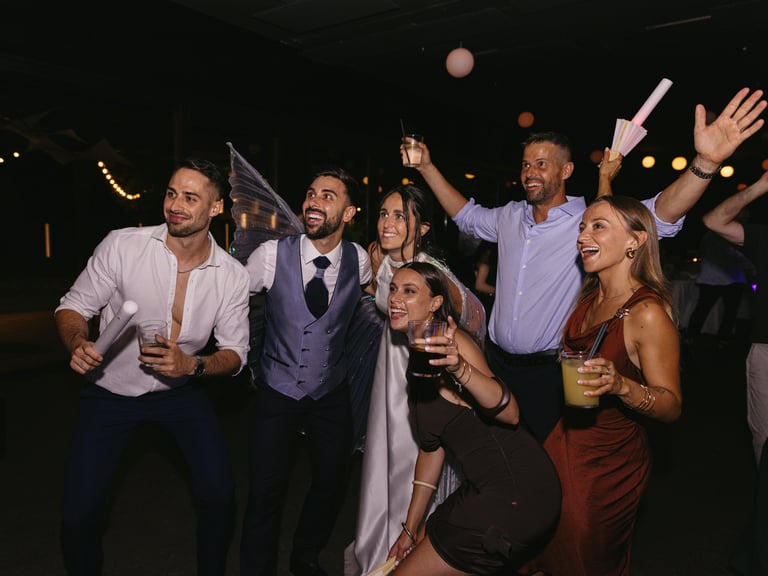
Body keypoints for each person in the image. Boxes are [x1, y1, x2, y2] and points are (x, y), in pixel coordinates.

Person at [408, 87, 766, 442]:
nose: (530, 172)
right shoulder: (509, 216)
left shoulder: (589, 221)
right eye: (526, 164)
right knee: (499, 459)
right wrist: (426, 166)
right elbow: (467, 216)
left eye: (542, 164)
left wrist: (705, 164)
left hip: (551, 372)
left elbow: (660, 213)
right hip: (496, 364)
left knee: (549, 464)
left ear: (566, 170)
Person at [55, 157, 250, 576]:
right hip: (110, 392)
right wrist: (77, 341)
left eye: (190, 198)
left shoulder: (232, 276)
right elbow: (74, 306)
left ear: (215, 207)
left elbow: (235, 354)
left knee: (219, 496)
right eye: (171, 193)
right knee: (78, 514)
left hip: (180, 394)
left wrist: (192, 365)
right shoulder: (123, 246)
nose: (175, 205)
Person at [524, 195, 683, 576]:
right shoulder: (588, 298)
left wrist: (622, 386)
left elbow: (672, 406)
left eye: (598, 227)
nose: (582, 236)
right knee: (541, 553)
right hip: (564, 445)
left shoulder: (646, 313)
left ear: (635, 241)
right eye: (582, 227)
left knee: (584, 560)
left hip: (609, 466)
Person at [382, 262, 561, 575]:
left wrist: (459, 368)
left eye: (409, 291)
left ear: (435, 303)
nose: (395, 298)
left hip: (515, 491)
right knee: (424, 543)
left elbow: (510, 413)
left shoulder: (454, 346)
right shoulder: (421, 357)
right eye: (393, 289)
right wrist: (409, 529)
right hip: (482, 487)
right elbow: (431, 450)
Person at [345, 184, 486, 576]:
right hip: (385, 373)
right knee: (380, 462)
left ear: (422, 228)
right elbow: (374, 299)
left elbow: (472, 317)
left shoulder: (430, 270)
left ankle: (407, 556)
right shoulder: (379, 259)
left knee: (410, 466)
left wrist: (446, 351)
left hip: (419, 374)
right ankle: (377, 551)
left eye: (400, 216)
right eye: (383, 214)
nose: (387, 223)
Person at [240, 167, 372, 576]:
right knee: (265, 490)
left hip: (331, 392)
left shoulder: (360, 260)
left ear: (349, 213)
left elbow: (376, 304)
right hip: (277, 390)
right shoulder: (269, 256)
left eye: (328, 196)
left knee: (332, 481)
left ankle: (305, 556)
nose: (314, 201)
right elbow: (230, 299)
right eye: (312, 193)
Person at [702, 169, 768, 468]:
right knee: (764, 439)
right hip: (766, 349)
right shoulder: (763, 236)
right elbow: (714, 221)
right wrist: (760, 186)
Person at [686, 228, 754, 347]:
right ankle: (719, 338)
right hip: (724, 278)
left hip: (721, 278)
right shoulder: (726, 233)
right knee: (721, 311)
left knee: (707, 310)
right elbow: (738, 255)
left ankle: (693, 336)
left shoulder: (709, 235)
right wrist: (753, 268)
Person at [473, 240, 497, 318]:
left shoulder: (481, 264)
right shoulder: (484, 266)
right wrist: (497, 291)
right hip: (483, 301)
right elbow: (479, 286)